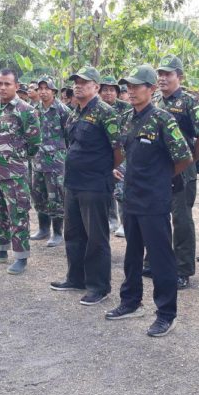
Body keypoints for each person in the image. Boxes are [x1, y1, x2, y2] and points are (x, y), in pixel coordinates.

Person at [105, 65, 192, 336]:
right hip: (131, 197)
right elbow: (124, 151)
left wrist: (161, 177)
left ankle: (166, 313)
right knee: (132, 254)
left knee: (160, 257)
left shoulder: (163, 119)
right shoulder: (127, 119)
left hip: (154, 200)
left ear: (151, 89)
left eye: (136, 86)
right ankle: (130, 301)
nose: (130, 91)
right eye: (127, 87)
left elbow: (184, 157)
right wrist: (123, 169)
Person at [49, 66, 122, 305]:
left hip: (95, 183)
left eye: (84, 82)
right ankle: (75, 277)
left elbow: (118, 149)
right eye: (76, 82)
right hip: (74, 182)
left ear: (96, 87)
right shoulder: (74, 112)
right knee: (73, 233)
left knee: (96, 237)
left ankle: (99, 287)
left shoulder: (105, 112)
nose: (78, 85)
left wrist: (105, 170)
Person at [156, 55, 199, 288]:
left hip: (182, 170)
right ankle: (157, 261)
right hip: (159, 169)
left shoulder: (189, 102)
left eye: (168, 74)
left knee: (181, 219)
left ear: (179, 76)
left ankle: (183, 269)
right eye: (160, 74)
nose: (162, 78)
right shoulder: (156, 101)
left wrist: (192, 160)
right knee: (157, 215)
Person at [0, 70, 41, 274]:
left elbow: (34, 142)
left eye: (7, 83)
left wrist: (16, 158)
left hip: (13, 172)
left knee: (18, 213)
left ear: (16, 86)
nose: (2, 87)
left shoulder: (26, 110)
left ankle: (21, 256)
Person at [30, 76, 71, 247]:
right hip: (38, 160)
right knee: (39, 195)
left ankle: (57, 232)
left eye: (47, 88)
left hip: (56, 162)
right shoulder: (34, 109)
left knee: (56, 197)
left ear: (54, 91)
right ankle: (43, 228)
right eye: (40, 88)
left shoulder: (62, 110)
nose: (43, 91)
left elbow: (69, 135)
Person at [99, 75, 132, 234]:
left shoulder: (126, 108)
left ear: (117, 92)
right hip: (102, 152)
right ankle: (111, 220)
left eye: (112, 90)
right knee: (106, 188)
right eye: (104, 90)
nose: (108, 93)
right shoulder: (95, 108)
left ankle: (124, 222)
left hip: (120, 152)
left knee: (120, 188)